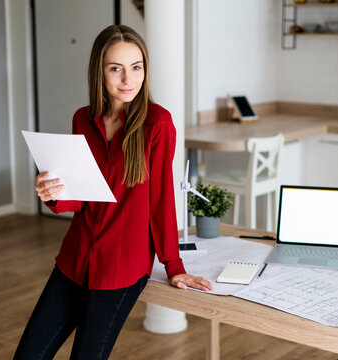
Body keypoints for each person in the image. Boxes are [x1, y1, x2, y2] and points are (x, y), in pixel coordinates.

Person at [14, 24, 213, 360]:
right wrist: (50, 192)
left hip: (121, 269)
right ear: (99, 72)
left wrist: (174, 265)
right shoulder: (82, 119)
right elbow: (82, 196)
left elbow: (162, 200)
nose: (127, 80)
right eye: (115, 69)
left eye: (136, 68)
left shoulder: (158, 124)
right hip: (74, 259)